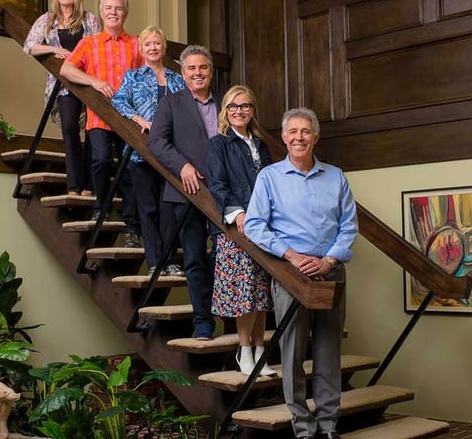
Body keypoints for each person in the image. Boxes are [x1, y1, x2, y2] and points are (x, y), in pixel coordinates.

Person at [243, 107, 358, 439]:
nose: (299, 137)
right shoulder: (269, 178)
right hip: (292, 277)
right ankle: (302, 426)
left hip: (330, 273)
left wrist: (329, 261)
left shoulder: (335, 176)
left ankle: (328, 423)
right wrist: (291, 256)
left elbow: (349, 227)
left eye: (305, 131)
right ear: (283, 137)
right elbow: (254, 226)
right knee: (292, 352)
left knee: (328, 349)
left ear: (315, 136)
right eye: (292, 132)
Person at [148, 45, 222, 340]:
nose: (197, 73)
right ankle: (203, 322)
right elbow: (156, 142)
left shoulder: (227, 103)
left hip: (222, 194)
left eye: (203, 67)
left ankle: (225, 312)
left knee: (223, 256)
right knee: (193, 258)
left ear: (211, 71)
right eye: (191, 68)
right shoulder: (171, 103)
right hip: (186, 192)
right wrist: (183, 167)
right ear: (183, 73)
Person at [60, 0, 142, 248]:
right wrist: (94, 81)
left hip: (129, 117)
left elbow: (145, 74)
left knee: (130, 168)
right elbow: (66, 69)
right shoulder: (89, 42)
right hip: (100, 115)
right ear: (102, 12)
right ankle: (101, 207)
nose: (113, 12)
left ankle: (131, 224)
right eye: (108, 8)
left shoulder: (137, 44)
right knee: (101, 159)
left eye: (118, 8)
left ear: (125, 13)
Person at [205, 85, 276, 376]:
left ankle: (260, 353)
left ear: (252, 110)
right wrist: (239, 214)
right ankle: (244, 351)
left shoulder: (261, 145)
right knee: (244, 295)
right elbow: (217, 184)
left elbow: (272, 185)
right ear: (225, 110)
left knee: (261, 295)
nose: (239, 111)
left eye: (245, 106)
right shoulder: (218, 144)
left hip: (264, 228)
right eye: (233, 106)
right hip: (236, 229)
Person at [111, 26, 186, 277]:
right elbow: (118, 101)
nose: (153, 48)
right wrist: (139, 120)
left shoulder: (178, 79)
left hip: (171, 154)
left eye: (157, 43)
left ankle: (170, 260)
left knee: (169, 210)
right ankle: (155, 262)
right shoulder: (133, 77)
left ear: (163, 47)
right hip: (140, 155)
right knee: (148, 208)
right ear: (141, 49)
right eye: (148, 44)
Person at [23, 0, 101, 198]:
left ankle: (89, 186)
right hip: (63, 85)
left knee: (92, 132)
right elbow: (29, 46)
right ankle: (74, 185)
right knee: (69, 129)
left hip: (87, 83)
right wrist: (52, 49)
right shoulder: (47, 20)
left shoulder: (89, 19)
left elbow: (97, 49)